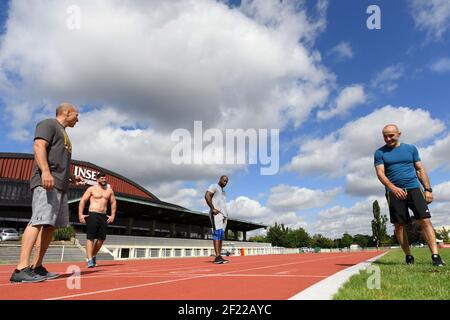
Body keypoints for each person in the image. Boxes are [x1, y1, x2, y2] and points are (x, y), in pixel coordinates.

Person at [10, 103, 84, 283]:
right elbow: (38, 146)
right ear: (66, 113)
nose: (78, 118)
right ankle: (21, 268)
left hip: (60, 185)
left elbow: (57, 159)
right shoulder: (48, 124)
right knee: (38, 220)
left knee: (50, 226)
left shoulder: (64, 134)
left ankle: (37, 266)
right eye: (76, 115)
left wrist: (71, 177)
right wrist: (45, 171)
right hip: (47, 182)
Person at [374, 124, 445, 266]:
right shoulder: (379, 153)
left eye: (391, 135)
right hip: (394, 192)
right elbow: (380, 173)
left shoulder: (411, 149)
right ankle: (409, 256)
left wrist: (428, 189)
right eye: (385, 136)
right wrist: (393, 188)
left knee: (425, 220)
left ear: (399, 134)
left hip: (414, 188)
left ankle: (435, 256)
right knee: (399, 225)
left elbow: (419, 169)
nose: (388, 139)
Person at [78, 172, 116, 268]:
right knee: (90, 237)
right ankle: (89, 259)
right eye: (102, 178)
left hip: (103, 215)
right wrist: (80, 215)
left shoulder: (109, 190)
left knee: (101, 239)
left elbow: (113, 203)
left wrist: (112, 215)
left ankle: (93, 255)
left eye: (105, 178)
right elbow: (83, 200)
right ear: (97, 179)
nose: (104, 180)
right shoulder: (91, 189)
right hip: (93, 214)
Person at [205, 175, 229, 264]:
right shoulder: (214, 186)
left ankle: (219, 256)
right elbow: (207, 195)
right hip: (216, 214)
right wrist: (212, 208)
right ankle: (217, 257)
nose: (225, 182)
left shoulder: (223, 191)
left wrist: (226, 214)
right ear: (220, 179)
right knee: (216, 233)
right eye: (224, 180)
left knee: (221, 235)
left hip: (223, 215)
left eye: (226, 181)